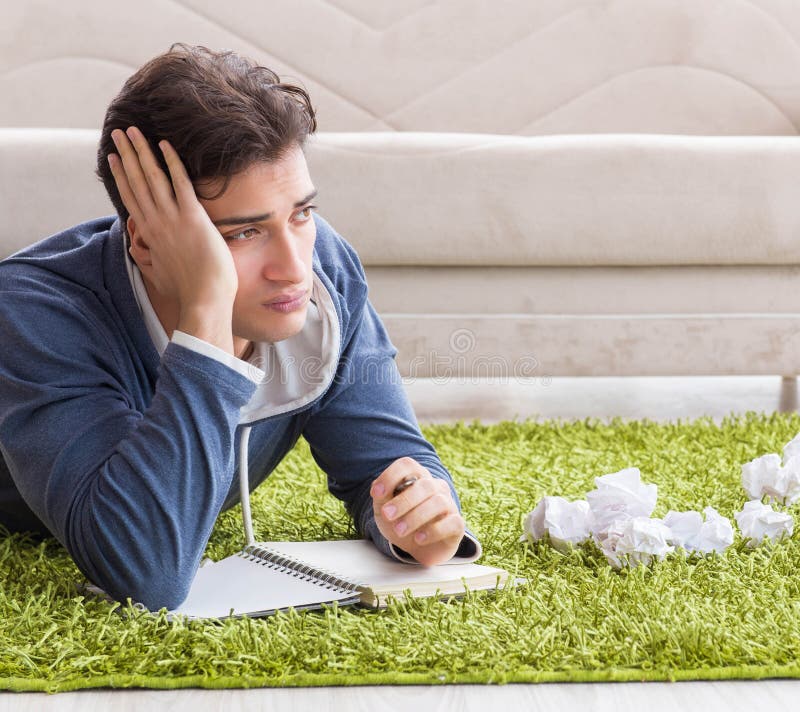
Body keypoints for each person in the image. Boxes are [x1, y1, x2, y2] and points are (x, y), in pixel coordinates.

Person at [0, 44, 479, 610]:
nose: (294, 268)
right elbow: (144, 571)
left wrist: (420, 514)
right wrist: (207, 311)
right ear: (147, 243)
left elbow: (385, 460)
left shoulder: (320, 271)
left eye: (301, 214)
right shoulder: (34, 312)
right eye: (243, 233)